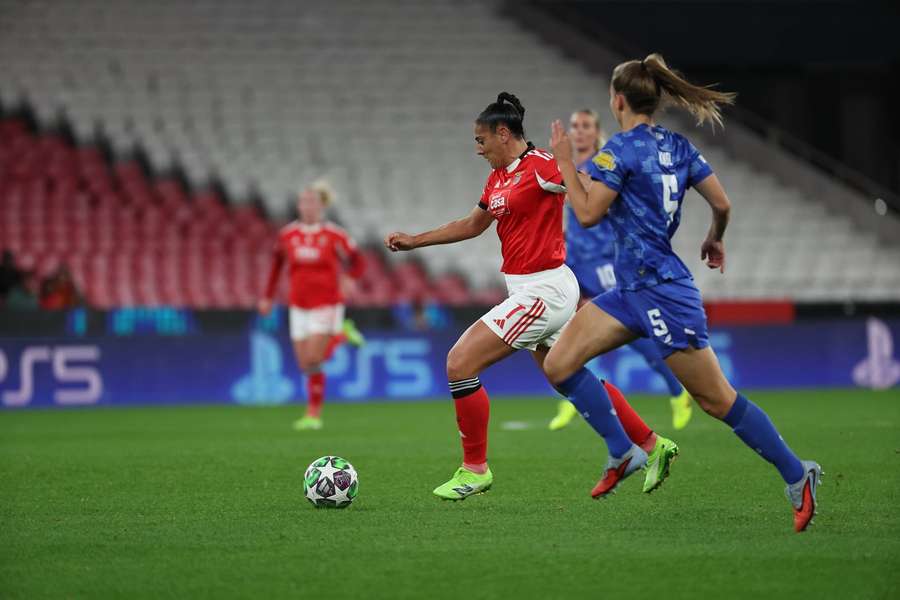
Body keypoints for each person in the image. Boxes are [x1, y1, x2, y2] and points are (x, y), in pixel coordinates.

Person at [545, 54, 821, 531]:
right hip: (631, 290)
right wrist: (715, 236)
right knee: (560, 363)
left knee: (717, 401)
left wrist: (567, 163)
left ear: (617, 100)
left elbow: (587, 214)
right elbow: (722, 202)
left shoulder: (620, 151)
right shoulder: (679, 146)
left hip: (664, 294)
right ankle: (623, 451)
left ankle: (798, 475)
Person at [385, 92, 677, 500]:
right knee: (568, 375)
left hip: (545, 288)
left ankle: (475, 469)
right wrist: (416, 240)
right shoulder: (498, 178)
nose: (477, 148)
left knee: (459, 363)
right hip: (532, 288)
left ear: (503, 134)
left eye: (481, 139)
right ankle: (650, 444)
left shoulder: (540, 166)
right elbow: (472, 225)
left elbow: (591, 191)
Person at [549, 109, 692, 432]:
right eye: (575, 126)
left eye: (586, 126)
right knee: (565, 329)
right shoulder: (570, 167)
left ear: (596, 130)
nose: (580, 132)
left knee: (625, 328)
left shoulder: (603, 165)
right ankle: (568, 397)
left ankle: (676, 389)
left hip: (602, 260)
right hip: (574, 260)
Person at [259, 181, 366, 431]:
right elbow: (276, 266)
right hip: (298, 304)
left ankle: (313, 414)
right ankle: (341, 333)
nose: (307, 206)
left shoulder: (335, 235)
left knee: (314, 358)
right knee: (304, 364)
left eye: (312, 202)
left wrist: (349, 278)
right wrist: (267, 296)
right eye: (303, 201)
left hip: (327, 303)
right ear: (298, 205)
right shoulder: (287, 235)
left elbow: (359, 262)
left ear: (322, 206)